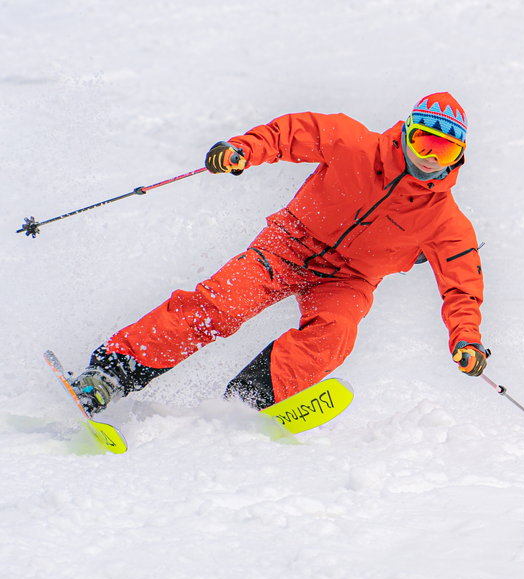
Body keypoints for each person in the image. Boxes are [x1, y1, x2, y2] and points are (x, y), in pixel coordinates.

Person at [68, 92, 489, 415]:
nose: (429, 158)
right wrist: (242, 151)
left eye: (444, 151)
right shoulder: (353, 143)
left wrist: (466, 339)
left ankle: (245, 403)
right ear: (406, 132)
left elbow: (462, 288)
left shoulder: (447, 223)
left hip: (349, 279)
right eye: (424, 142)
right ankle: (110, 373)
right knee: (221, 305)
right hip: (288, 245)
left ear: (460, 158)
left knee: (335, 336)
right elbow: (292, 133)